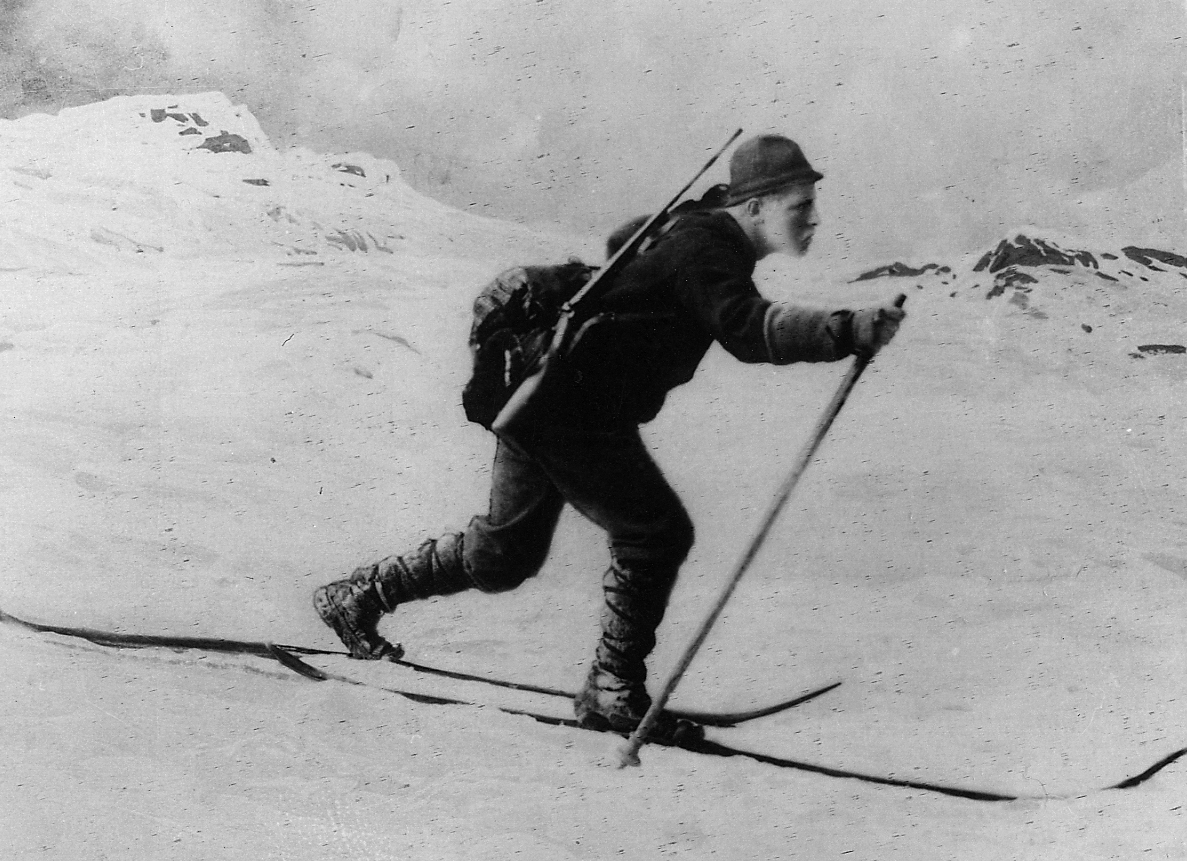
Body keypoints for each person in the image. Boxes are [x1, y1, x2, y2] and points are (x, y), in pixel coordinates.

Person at [313, 134, 905, 740]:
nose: (814, 218)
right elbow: (749, 330)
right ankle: (612, 689)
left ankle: (358, 596)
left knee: (504, 555)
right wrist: (845, 329)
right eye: (800, 205)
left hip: (542, 391)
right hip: (572, 407)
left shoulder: (693, 233)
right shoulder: (706, 244)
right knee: (655, 532)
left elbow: (631, 250)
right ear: (755, 207)